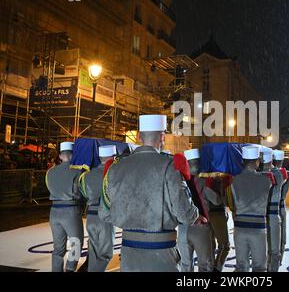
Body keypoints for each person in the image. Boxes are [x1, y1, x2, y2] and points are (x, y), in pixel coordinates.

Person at [99, 114, 202, 272]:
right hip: (162, 252)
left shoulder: (115, 168)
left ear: (139, 136)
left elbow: (104, 213)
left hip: (128, 254)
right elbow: (185, 214)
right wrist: (196, 215)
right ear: (163, 137)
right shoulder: (169, 166)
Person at [227, 145, 272, 272]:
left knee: (241, 267)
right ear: (257, 161)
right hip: (258, 229)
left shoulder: (234, 180)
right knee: (259, 267)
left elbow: (231, 203)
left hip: (239, 228)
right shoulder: (265, 180)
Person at [178, 149, 221, 272]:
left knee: (185, 265)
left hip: (182, 228)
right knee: (205, 265)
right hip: (200, 227)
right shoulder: (204, 182)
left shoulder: (178, 181)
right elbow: (217, 200)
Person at [46, 141, 84, 272]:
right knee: (76, 244)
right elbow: (81, 191)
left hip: (54, 211)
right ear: (73, 156)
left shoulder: (50, 172)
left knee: (58, 247)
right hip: (70, 211)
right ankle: (70, 269)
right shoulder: (78, 171)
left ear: (60, 156)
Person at [79, 145, 116, 272]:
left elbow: (83, 193)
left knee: (94, 254)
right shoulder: (113, 174)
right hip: (105, 218)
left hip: (91, 217)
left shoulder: (86, 175)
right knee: (105, 254)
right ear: (113, 157)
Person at [261, 148, 283, 272]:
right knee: (274, 251)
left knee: (260, 251)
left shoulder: (257, 175)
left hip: (260, 216)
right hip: (273, 215)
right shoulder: (278, 174)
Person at [207, 175, 231, 272]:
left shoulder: (206, 179)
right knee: (225, 246)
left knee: (211, 245)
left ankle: (212, 267)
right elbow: (222, 201)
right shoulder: (221, 181)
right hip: (218, 214)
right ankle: (217, 268)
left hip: (208, 213)